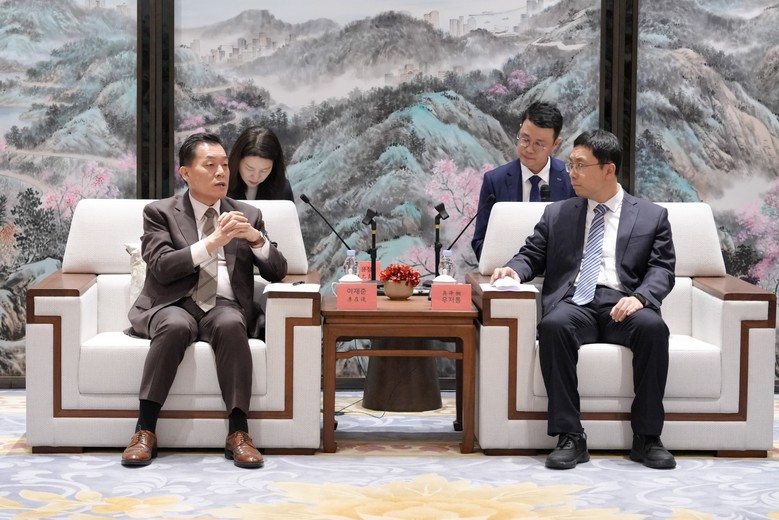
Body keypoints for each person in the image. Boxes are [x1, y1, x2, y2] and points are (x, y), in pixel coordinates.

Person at [490, 129, 676, 470]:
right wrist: (513, 270)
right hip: (576, 302)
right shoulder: (558, 213)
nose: (571, 173)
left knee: (653, 328)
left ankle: (647, 437)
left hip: (623, 302)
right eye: (571, 164)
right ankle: (570, 436)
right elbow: (532, 254)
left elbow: (662, 269)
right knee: (553, 326)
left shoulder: (652, 216)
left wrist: (641, 297)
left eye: (580, 165)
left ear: (608, 169)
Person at [122, 133, 288, 469]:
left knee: (231, 323)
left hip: (224, 305)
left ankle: (239, 434)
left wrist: (255, 239)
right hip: (173, 303)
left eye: (225, 165)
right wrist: (212, 242)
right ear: (185, 173)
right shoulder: (160, 212)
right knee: (174, 325)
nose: (221, 172)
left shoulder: (247, 213)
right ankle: (144, 431)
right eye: (210, 165)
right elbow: (162, 266)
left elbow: (278, 271)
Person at [472, 101, 575, 260]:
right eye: (525, 139)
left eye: (539, 144)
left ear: (555, 144)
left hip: (557, 272)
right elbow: (480, 242)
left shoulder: (571, 180)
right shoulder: (495, 181)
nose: (529, 149)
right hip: (507, 270)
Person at [227, 126, 293, 201]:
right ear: (237, 161)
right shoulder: (221, 185)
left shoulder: (282, 188)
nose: (256, 177)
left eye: (264, 170)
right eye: (250, 168)